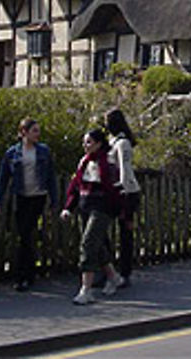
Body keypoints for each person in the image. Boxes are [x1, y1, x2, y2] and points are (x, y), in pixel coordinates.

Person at [0, 117, 58, 292]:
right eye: (34, 130)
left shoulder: (43, 151)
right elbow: (2, 179)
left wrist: (54, 200)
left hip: (38, 196)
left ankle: (23, 276)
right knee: (24, 235)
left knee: (27, 233)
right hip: (21, 196)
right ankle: (28, 272)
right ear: (24, 133)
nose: (38, 134)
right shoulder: (13, 153)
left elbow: (51, 177)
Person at [60, 129, 124, 304]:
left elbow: (115, 188)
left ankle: (85, 289)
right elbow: (75, 186)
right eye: (84, 142)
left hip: (102, 208)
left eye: (88, 142)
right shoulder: (84, 162)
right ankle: (113, 277)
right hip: (85, 206)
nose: (85, 145)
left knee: (88, 244)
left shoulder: (108, 162)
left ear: (98, 143)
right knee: (98, 245)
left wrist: (119, 210)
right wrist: (68, 208)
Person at [105, 108, 140, 288]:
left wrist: (123, 193)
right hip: (114, 191)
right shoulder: (112, 142)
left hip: (127, 192)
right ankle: (108, 269)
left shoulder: (122, 143)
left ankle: (125, 272)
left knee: (125, 233)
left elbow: (125, 171)